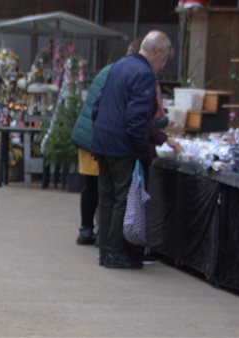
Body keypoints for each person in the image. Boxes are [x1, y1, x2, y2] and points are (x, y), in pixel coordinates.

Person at [91, 30, 177, 269]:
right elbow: (137, 119)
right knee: (123, 199)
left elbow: (98, 105)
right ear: (156, 52)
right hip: (122, 146)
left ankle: (106, 250)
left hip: (104, 141)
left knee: (107, 198)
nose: (163, 65)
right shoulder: (144, 74)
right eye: (164, 59)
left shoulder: (119, 66)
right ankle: (116, 252)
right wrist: (142, 150)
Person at [71, 40, 142, 246]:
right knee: (104, 188)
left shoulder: (111, 70)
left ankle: (86, 229)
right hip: (97, 137)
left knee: (90, 185)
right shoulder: (125, 75)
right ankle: (104, 233)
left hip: (88, 135)